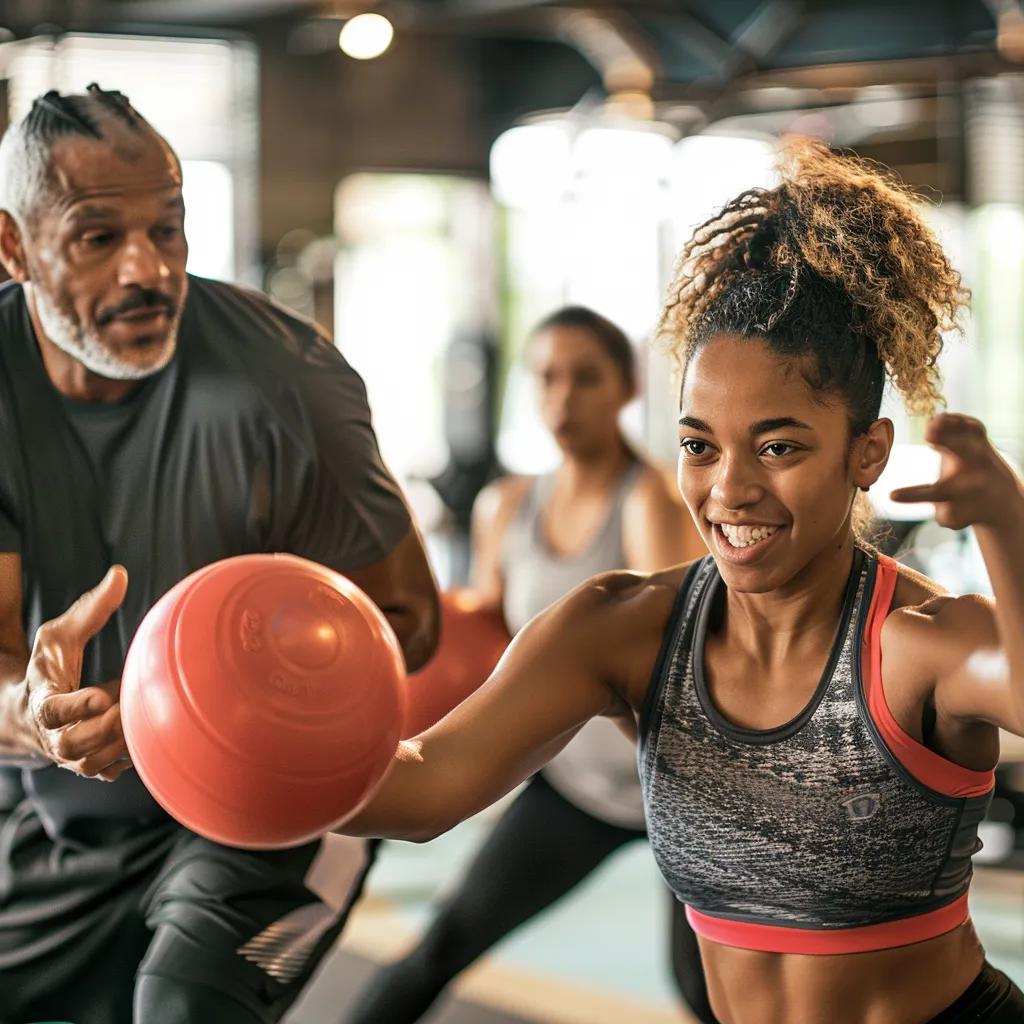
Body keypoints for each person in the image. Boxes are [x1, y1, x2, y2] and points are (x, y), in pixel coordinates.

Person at [337, 140, 1024, 1023]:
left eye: (778, 447)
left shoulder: (921, 642)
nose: (730, 489)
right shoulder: (623, 625)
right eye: (700, 445)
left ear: (868, 453)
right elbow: (426, 784)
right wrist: (202, 753)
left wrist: (1006, 521)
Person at [0, 85, 439, 1024]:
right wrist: (36, 717)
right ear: (13, 247)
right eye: (98, 238)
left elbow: (408, 619)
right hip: (53, 813)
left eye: (168, 230)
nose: (148, 270)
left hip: (268, 804)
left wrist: (199, 705)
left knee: (185, 1009)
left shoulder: (287, 380)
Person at [344, 306, 712, 1024]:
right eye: (547, 377)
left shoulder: (649, 501)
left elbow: (669, 660)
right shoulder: (505, 506)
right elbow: (483, 646)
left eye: (586, 378)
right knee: (444, 941)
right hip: (573, 784)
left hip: (676, 786)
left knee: (704, 990)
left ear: (626, 387)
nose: (563, 398)